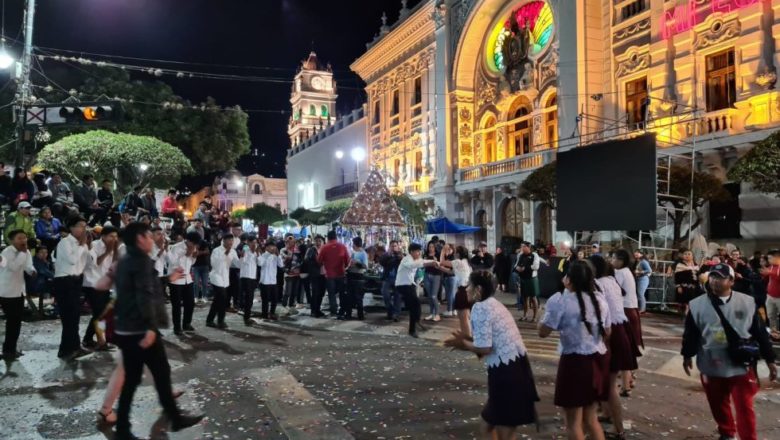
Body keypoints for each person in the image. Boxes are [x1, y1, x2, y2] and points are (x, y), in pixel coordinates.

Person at [113, 222, 203, 440]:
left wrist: (166, 279)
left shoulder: (127, 260)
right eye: (149, 235)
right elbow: (144, 296)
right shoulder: (141, 261)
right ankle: (167, 419)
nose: (152, 238)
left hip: (128, 329)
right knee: (156, 374)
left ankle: (167, 418)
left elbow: (143, 286)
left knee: (145, 377)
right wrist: (151, 328)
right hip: (141, 331)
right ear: (140, 239)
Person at [681, 263, 777, 440]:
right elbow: (691, 334)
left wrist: (770, 360)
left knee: (744, 406)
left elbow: (760, 332)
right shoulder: (696, 305)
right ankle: (727, 432)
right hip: (711, 363)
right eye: (713, 277)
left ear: (731, 281)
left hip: (741, 364)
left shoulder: (747, 302)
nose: (715, 281)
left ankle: (749, 437)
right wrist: (687, 355)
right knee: (717, 402)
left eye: (720, 277)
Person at [444, 270, 538, 439]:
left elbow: (485, 348)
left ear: (478, 289)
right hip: (516, 368)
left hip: (507, 373)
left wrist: (463, 343)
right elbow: (487, 341)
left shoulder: (481, 308)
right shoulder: (493, 303)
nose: (466, 289)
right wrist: (466, 341)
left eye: (469, 285)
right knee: (489, 424)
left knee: (502, 430)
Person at [539, 260, 610, 440]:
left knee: (573, 423)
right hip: (598, 359)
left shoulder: (561, 300)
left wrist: (546, 313)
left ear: (569, 279)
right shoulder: (599, 299)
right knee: (591, 419)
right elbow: (607, 331)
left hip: (574, 362)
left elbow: (543, 332)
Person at [589, 255, 638, 439]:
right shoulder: (611, 280)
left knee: (608, 385)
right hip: (620, 330)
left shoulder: (598, 284)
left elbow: (600, 314)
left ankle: (619, 430)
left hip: (611, 333)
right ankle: (607, 414)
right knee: (605, 382)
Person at [54, 216, 91, 360]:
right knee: (68, 317)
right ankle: (65, 350)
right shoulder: (65, 242)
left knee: (75, 316)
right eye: (81, 226)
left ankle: (75, 346)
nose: (84, 229)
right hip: (64, 281)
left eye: (85, 226)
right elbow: (72, 261)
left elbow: (86, 264)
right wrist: (82, 246)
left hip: (76, 280)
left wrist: (87, 247)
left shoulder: (82, 244)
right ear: (72, 228)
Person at [0, 230, 36, 360]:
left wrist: (32, 271)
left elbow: (28, 266)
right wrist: (23, 252)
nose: (23, 240)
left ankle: (10, 349)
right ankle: (8, 351)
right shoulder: (6, 252)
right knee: (12, 321)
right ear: (11, 240)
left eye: (25, 238)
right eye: (20, 238)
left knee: (15, 322)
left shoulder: (25, 252)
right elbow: (14, 267)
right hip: (6, 292)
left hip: (19, 291)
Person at [82, 225, 119, 349]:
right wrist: (108, 251)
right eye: (111, 236)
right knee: (100, 314)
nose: (113, 239)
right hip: (92, 283)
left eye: (115, 236)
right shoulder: (95, 245)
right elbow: (95, 263)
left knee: (101, 313)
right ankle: (100, 342)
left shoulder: (114, 247)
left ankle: (88, 339)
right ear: (103, 236)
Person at [612, 249, 642, 394]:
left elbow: (617, 291)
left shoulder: (620, 273)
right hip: (631, 309)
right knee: (629, 346)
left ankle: (628, 381)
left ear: (621, 260)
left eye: (613, 258)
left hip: (625, 311)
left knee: (624, 348)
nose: (612, 261)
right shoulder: (627, 271)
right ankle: (629, 379)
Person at [396, 243, 438, 338]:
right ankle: (413, 328)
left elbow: (423, 260)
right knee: (414, 305)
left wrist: (435, 262)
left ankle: (416, 323)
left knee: (416, 304)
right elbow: (413, 265)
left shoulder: (417, 259)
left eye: (420, 251)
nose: (419, 253)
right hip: (402, 285)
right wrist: (430, 263)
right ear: (411, 252)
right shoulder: (406, 259)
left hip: (410, 285)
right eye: (417, 251)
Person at [168, 232, 198, 334]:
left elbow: (191, 263)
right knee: (176, 305)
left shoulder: (193, 247)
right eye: (193, 243)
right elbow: (172, 263)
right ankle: (177, 327)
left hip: (187, 279)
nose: (194, 246)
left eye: (195, 244)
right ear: (187, 240)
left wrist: (193, 257)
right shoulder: (176, 247)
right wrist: (186, 254)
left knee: (190, 303)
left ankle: (186, 324)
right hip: (176, 280)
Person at [206, 234, 238, 329]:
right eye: (229, 240)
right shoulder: (216, 250)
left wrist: (243, 258)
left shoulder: (233, 251)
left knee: (218, 300)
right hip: (216, 277)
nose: (231, 242)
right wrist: (226, 253)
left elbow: (237, 264)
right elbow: (215, 265)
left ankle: (210, 320)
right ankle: (221, 321)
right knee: (223, 298)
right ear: (223, 241)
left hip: (225, 278)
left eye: (232, 240)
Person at [317, 230, 350, 317]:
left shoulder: (324, 247)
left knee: (331, 294)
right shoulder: (342, 246)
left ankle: (334, 311)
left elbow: (319, 261)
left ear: (328, 238)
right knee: (342, 294)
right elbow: (347, 260)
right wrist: (344, 266)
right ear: (336, 237)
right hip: (341, 274)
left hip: (329, 274)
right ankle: (342, 310)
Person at [514, 242, 541, 322]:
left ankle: (535, 317)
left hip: (531, 279)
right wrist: (517, 268)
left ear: (528, 247)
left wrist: (524, 268)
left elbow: (536, 266)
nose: (521, 248)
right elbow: (516, 265)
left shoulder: (534, 255)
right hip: (523, 278)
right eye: (521, 246)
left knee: (533, 298)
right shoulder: (520, 255)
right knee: (524, 297)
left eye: (523, 246)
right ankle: (525, 315)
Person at [258, 241, 284, 320]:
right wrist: (268, 255)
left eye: (274, 246)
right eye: (271, 246)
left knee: (274, 299)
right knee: (265, 300)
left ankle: (272, 313)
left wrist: (278, 255)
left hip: (273, 281)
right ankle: (264, 314)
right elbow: (260, 264)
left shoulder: (275, 256)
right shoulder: (263, 255)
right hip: (264, 281)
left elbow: (281, 265)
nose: (273, 248)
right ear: (266, 248)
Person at [379, 240, 403, 322]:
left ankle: (397, 314)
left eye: (395, 246)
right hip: (387, 278)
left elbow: (403, 263)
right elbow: (381, 262)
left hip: (398, 279)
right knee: (385, 295)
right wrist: (388, 255)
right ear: (389, 247)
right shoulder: (386, 255)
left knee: (398, 297)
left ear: (398, 246)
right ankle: (390, 311)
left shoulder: (400, 255)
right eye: (392, 246)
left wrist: (398, 257)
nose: (393, 248)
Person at [344, 236, 367, 320]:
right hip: (350, 276)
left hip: (358, 277)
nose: (352, 245)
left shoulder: (363, 253)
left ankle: (360, 316)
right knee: (349, 297)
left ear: (356, 244)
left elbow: (365, 266)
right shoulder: (353, 253)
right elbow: (348, 263)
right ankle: (348, 314)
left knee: (358, 298)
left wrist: (357, 263)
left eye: (353, 243)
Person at [239, 236, 260, 325]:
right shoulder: (245, 251)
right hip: (245, 277)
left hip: (252, 278)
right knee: (248, 298)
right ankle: (246, 318)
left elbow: (260, 263)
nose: (254, 244)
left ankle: (247, 316)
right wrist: (243, 255)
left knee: (250, 298)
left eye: (255, 243)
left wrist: (258, 254)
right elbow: (242, 262)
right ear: (248, 243)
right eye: (253, 242)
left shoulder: (256, 253)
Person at [304, 235, 326, 318]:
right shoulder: (311, 250)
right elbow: (306, 260)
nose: (318, 243)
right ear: (314, 241)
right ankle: (313, 311)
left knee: (321, 293)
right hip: (315, 274)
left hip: (323, 274)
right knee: (315, 293)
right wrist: (315, 261)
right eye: (316, 241)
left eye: (320, 241)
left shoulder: (324, 249)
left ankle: (318, 309)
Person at [280, 235, 302, 315]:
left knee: (294, 292)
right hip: (288, 274)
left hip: (297, 273)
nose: (290, 243)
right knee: (287, 291)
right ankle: (284, 305)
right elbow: (282, 261)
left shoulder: (297, 250)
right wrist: (288, 256)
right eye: (288, 241)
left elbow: (300, 260)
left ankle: (291, 306)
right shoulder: (283, 250)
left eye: (292, 241)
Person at [674, 248, 700, 316]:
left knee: (692, 301)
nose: (687, 255)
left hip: (694, 287)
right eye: (685, 254)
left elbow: (698, 276)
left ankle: (689, 313)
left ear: (692, 256)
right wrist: (678, 286)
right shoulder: (680, 265)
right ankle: (683, 313)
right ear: (683, 256)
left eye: (689, 254)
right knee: (683, 302)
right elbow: (677, 277)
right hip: (684, 286)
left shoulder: (696, 265)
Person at [423, 241, 443, 322]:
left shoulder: (438, 255)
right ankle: (431, 313)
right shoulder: (426, 254)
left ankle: (437, 314)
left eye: (432, 247)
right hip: (427, 275)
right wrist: (431, 263)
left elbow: (439, 265)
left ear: (435, 247)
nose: (430, 248)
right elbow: (423, 264)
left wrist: (435, 261)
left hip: (436, 276)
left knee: (434, 296)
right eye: (429, 246)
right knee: (429, 295)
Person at [761, 249, 780, 332]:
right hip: (770, 296)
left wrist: (770, 273)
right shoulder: (770, 267)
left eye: (770, 258)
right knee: (771, 316)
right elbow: (766, 279)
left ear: (777, 257)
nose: (768, 260)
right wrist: (764, 274)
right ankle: (774, 332)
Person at [439, 244, 458, 317]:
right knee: (452, 294)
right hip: (449, 277)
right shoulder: (450, 257)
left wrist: (442, 252)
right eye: (446, 249)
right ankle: (453, 310)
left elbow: (441, 263)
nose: (447, 250)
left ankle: (450, 310)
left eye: (449, 249)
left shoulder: (452, 258)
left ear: (453, 250)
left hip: (451, 277)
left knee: (450, 294)